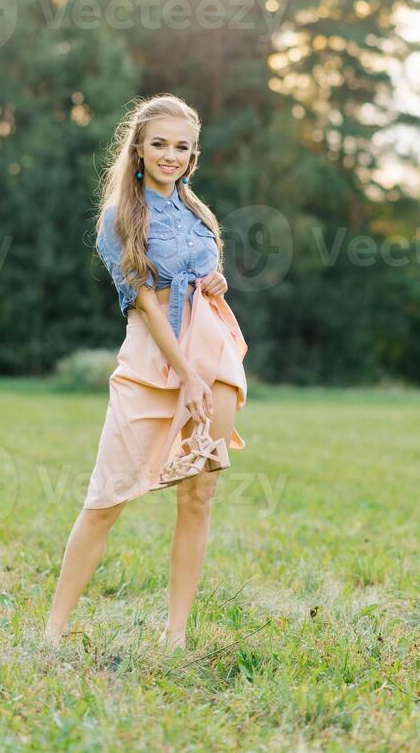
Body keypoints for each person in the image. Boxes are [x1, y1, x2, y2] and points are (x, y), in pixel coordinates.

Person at [44, 93, 248, 652]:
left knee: (198, 496)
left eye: (181, 147)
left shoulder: (200, 214)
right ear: (138, 149)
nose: (170, 155)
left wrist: (217, 284)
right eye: (159, 144)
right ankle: (52, 634)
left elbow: (204, 283)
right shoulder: (119, 218)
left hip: (213, 359)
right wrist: (184, 374)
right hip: (154, 365)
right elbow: (144, 304)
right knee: (105, 498)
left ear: (193, 154)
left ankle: (175, 634)